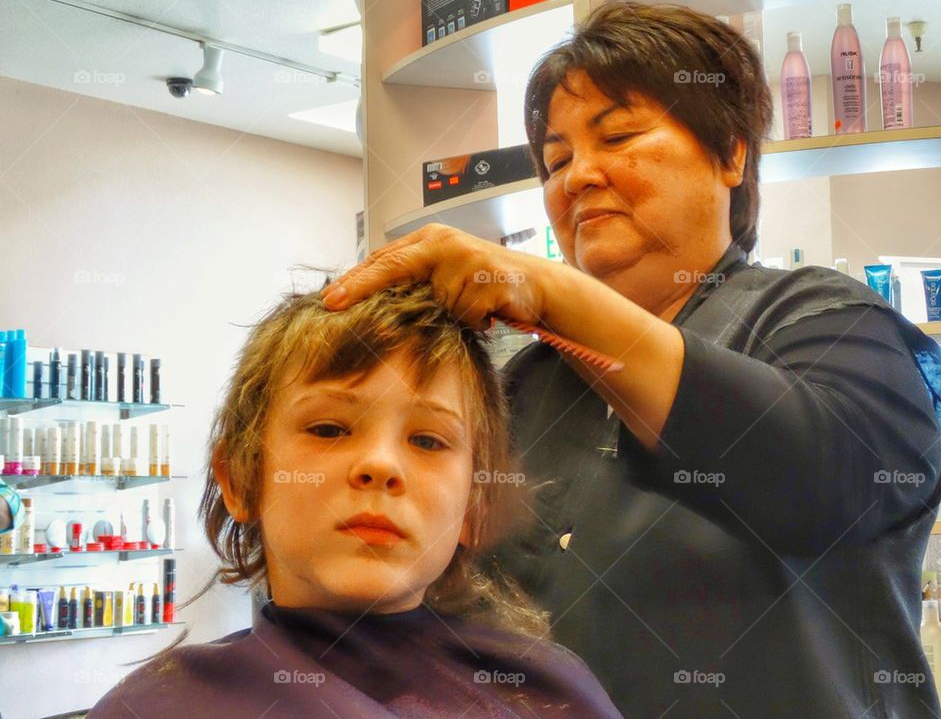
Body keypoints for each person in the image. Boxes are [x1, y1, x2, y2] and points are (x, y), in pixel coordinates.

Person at [320, 2, 941, 718]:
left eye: (619, 136)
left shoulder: (829, 326)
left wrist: (554, 293)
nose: (579, 177)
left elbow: (820, 479)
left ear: (731, 154)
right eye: (557, 160)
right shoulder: (524, 387)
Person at [88, 283, 621, 718]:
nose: (381, 466)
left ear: (473, 507)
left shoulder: (550, 692)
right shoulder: (158, 706)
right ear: (241, 480)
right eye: (328, 428)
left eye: (428, 440)